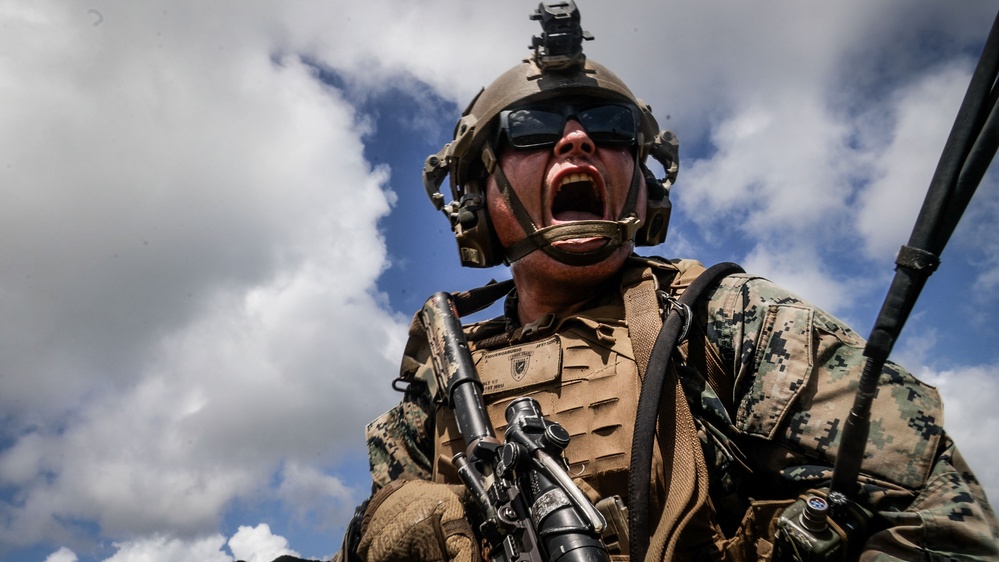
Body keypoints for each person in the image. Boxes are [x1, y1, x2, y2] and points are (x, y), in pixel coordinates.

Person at [335, 3, 999, 561]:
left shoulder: (729, 320)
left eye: (608, 128)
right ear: (478, 193)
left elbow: (942, 528)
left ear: (643, 182)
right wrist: (379, 530)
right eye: (532, 129)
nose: (575, 143)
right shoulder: (437, 385)